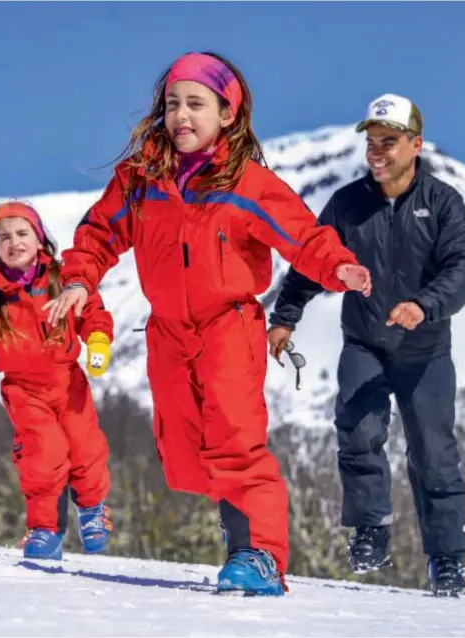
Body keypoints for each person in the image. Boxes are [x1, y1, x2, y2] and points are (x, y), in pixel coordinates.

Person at [43, 51, 371, 596]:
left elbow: (302, 236)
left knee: (236, 439)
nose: (181, 116)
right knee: (185, 449)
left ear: (227, 114)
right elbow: (99, 233)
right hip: (168, 330)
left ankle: (258, 554)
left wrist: (338, 266)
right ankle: (239, 537)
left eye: (196, 104)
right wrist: (80, 279)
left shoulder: (248, 182)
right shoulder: (142, 179)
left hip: (229, 325)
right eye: (172, 103)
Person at [267, 93, 465, 597]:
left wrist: (425, 305)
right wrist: (285, 317)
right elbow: (310, 259)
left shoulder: (443, 202)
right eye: (371, 142)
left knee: (433, 452)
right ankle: (370, 530)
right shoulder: (347, 203)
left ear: (415, 144)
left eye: (388, 142)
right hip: (364, 340)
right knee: (358, 431)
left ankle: (447, 559)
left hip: (424, 349)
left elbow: (462, 269)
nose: (376, 152)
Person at [0, 201, 114, 561]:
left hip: (68, 382)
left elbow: (92, 310)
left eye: (22, 233)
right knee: (43, 456)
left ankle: (92, 510)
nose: (14, 242)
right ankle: (44, 529)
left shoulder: (62, 279)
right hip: (23, 390)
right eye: (4, 237)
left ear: (40, 239)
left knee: (86, 449)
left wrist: (98, 339)